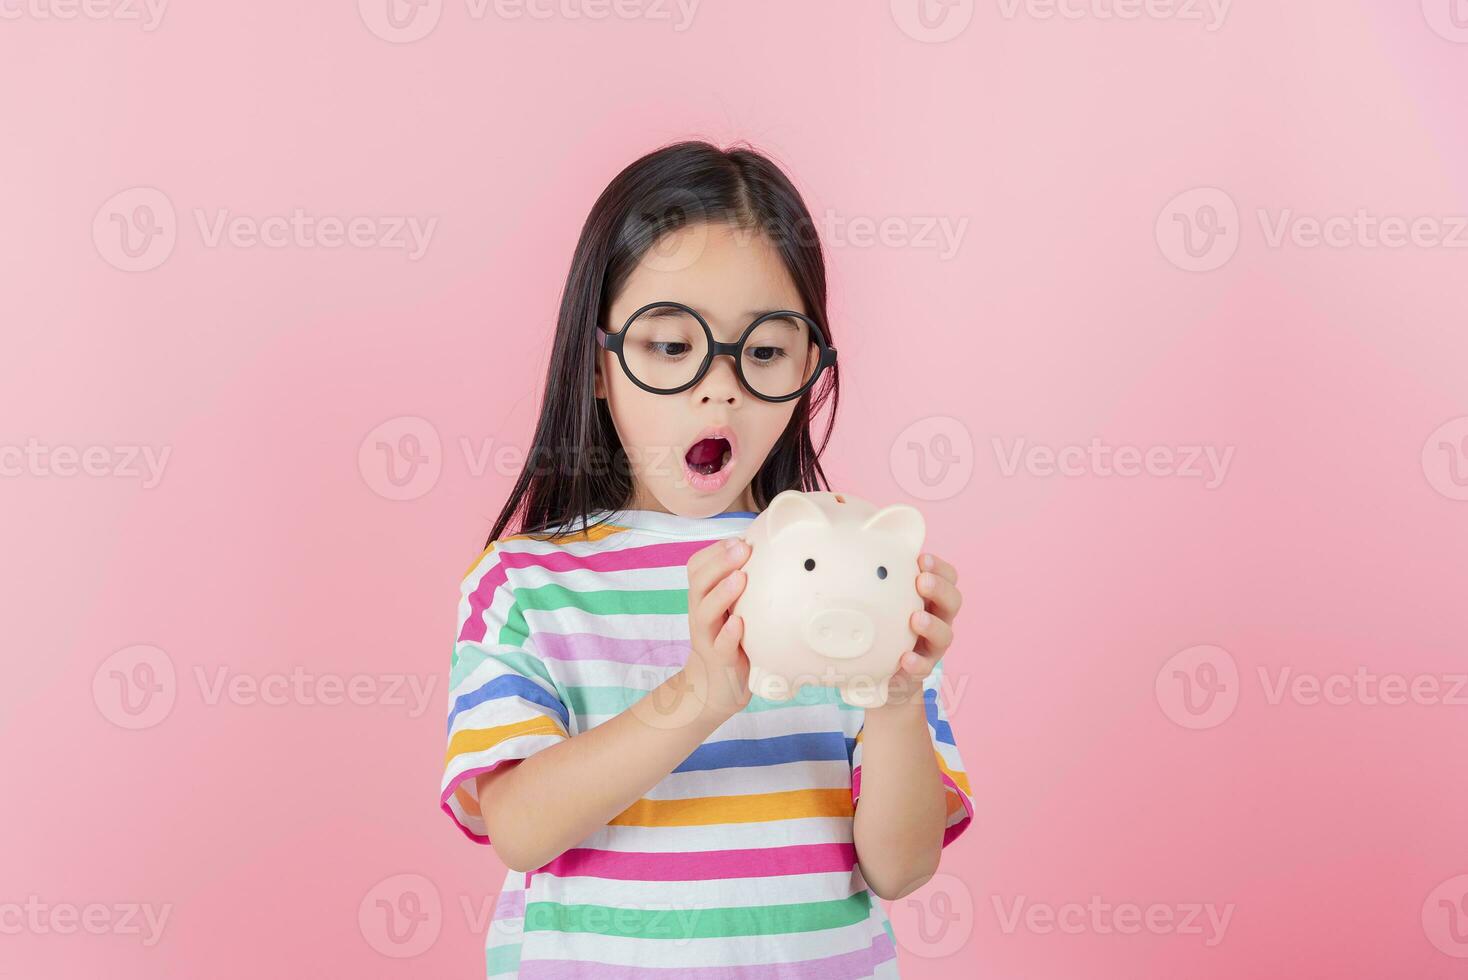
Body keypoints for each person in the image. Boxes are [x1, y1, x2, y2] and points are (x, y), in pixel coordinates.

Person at [440, 139, 973, 978]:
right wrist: (700, 694)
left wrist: (898, 700)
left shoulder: (857, 574)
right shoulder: (527, 585)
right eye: (668, 346)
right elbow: (521, 825)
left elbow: (902, 868)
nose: (717, 387)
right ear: (598, 365)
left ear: (810, 371)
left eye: (763, 351)